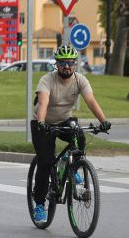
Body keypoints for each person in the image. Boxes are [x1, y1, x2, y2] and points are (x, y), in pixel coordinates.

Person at [31, 45, 111, 223]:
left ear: (75, 64)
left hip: (65, 119)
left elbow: (90, 101)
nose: (67, 66)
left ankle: (71, 163)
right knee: (44, 162)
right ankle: (38, 204)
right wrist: (42, 123)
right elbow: (43, 103)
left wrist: (103, 121)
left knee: (80, 135)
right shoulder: (47, 80)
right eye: (63, 63)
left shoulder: (80, 80)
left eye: (70, 63)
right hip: (43, 122)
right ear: (57, 64)